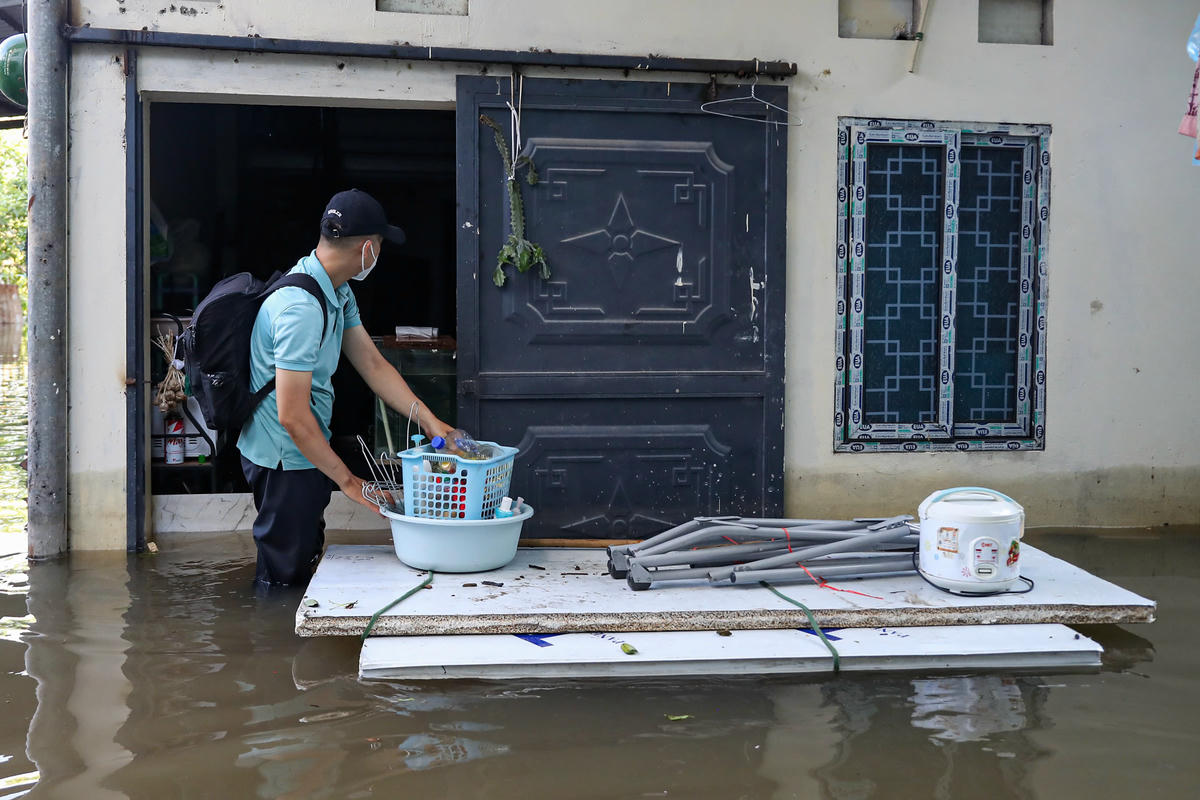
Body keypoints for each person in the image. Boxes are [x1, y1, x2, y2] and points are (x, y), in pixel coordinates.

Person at [237, 188, 453, 586]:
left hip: (308, 451)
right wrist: (351, 483)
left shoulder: (335, 290)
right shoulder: (299, 308)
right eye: (381, 246)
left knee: (302, 558)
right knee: (283, 575)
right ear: (368, 248)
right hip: (284, 457)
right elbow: (292, 416)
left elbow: (372, 364)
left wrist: (432, 422)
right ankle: (273, 637)